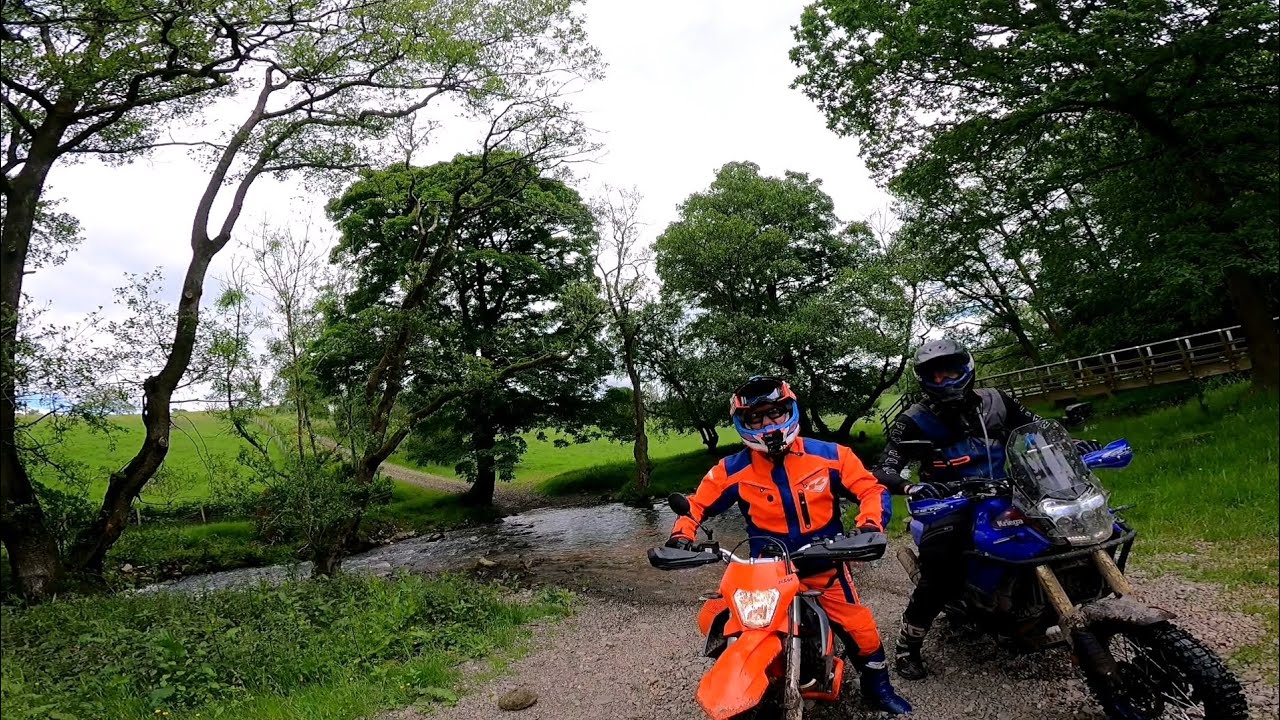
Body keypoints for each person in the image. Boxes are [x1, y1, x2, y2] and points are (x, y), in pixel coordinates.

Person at [666, 376, 912, 715]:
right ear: (743, 423)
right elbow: (696, 504)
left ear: (790, 411)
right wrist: (681, 535)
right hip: (764, 572)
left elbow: (871, 489)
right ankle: (748, 672)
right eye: (756, 418)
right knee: (713, 618)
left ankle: (878, 688)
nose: (768, 424)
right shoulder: (730, 470)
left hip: (825, 564)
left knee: (861, 628)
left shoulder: (832, 455)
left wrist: (868, 525)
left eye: (776, 413)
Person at [873, 339, 1101, 680]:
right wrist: (910, 485)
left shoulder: (996, 401)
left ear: (967, 368)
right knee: (941, 574)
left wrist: (1069, 445)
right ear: (924, 381)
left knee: (1064, 535)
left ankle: (1042, 605)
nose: (945, 381)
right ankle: (908, 643)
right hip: (948, 501)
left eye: (951, 371)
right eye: (936, 376)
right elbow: (885, 466)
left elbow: (1036, 430)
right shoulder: (913, 420)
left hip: (1009, 491)